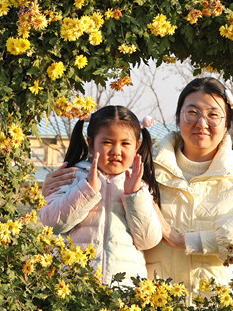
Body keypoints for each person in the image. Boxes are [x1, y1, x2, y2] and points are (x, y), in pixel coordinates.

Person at [43, 77, 233, 304]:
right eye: (192, 113)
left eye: (213, 115)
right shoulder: (146, 166)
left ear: (227, 122)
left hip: (218, 306)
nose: (202, 123)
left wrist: (184, 240)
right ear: (178, 118)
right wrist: (52, 192)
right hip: (154, 309)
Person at [39, 105, 162, 288]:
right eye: (107, 142)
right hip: (74, 286)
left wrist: (134, 195)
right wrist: (87, 190)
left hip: (124, 293)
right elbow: (51, 222)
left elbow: (148, 240)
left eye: (125, 143)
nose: (116, 151)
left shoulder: (140, 186)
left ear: (137, 146)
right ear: (90, 144)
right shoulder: (72, 175)